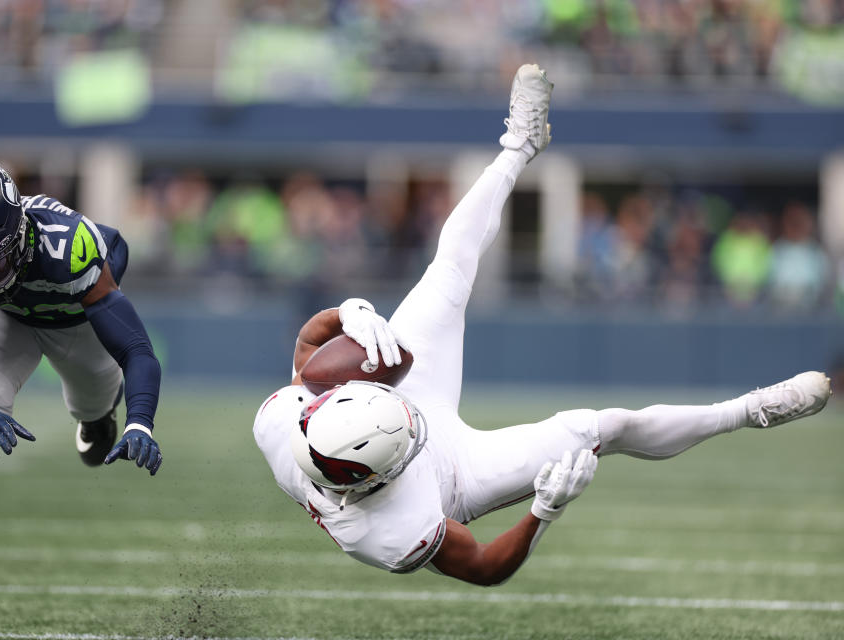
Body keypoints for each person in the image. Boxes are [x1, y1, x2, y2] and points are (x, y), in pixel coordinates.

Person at [252, 64, 832, 585]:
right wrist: (542, 512)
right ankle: (750, 411)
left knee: (449, 269)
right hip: (456, 476)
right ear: (374, 479)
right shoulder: (385, 530)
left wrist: (346, 310)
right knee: (600, 427)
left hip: (391, 414)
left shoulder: (284, 423)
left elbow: (308, 350)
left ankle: (519, 144)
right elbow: (480, 566)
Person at [0, 157, 164, 601]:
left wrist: (140, 420)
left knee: (93, 407)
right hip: (0, 320)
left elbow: (137, 350)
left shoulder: (68, 246)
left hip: (72, 318)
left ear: (17, 231)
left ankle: (97, 417)